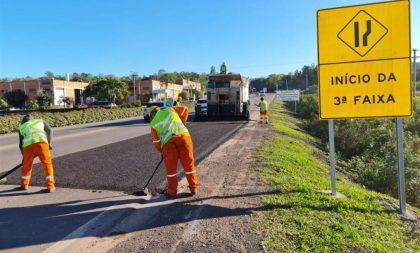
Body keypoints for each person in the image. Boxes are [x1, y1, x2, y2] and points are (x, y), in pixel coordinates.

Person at [148, 105, 198, 199]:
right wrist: (183, 121)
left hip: (169, 145)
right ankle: (194, 188)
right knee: (189, 166)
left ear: (151, 115)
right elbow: (185, 109)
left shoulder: (153, 124)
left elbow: (156, 142)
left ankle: (172, 192)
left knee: (171, 171)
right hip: (184, 139)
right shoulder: (169, 109)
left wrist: (162, 151)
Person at [18, 115, 56, 193]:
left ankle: (24, 185)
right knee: (47, 164)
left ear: (23, 122)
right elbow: (50, 130)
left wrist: (24, 158)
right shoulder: (40, 121)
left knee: (27, 165)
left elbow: (21, 144)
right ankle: (50, 186)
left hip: (28, 146)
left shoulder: (22, 126)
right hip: (42, 143)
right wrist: (49, 143)